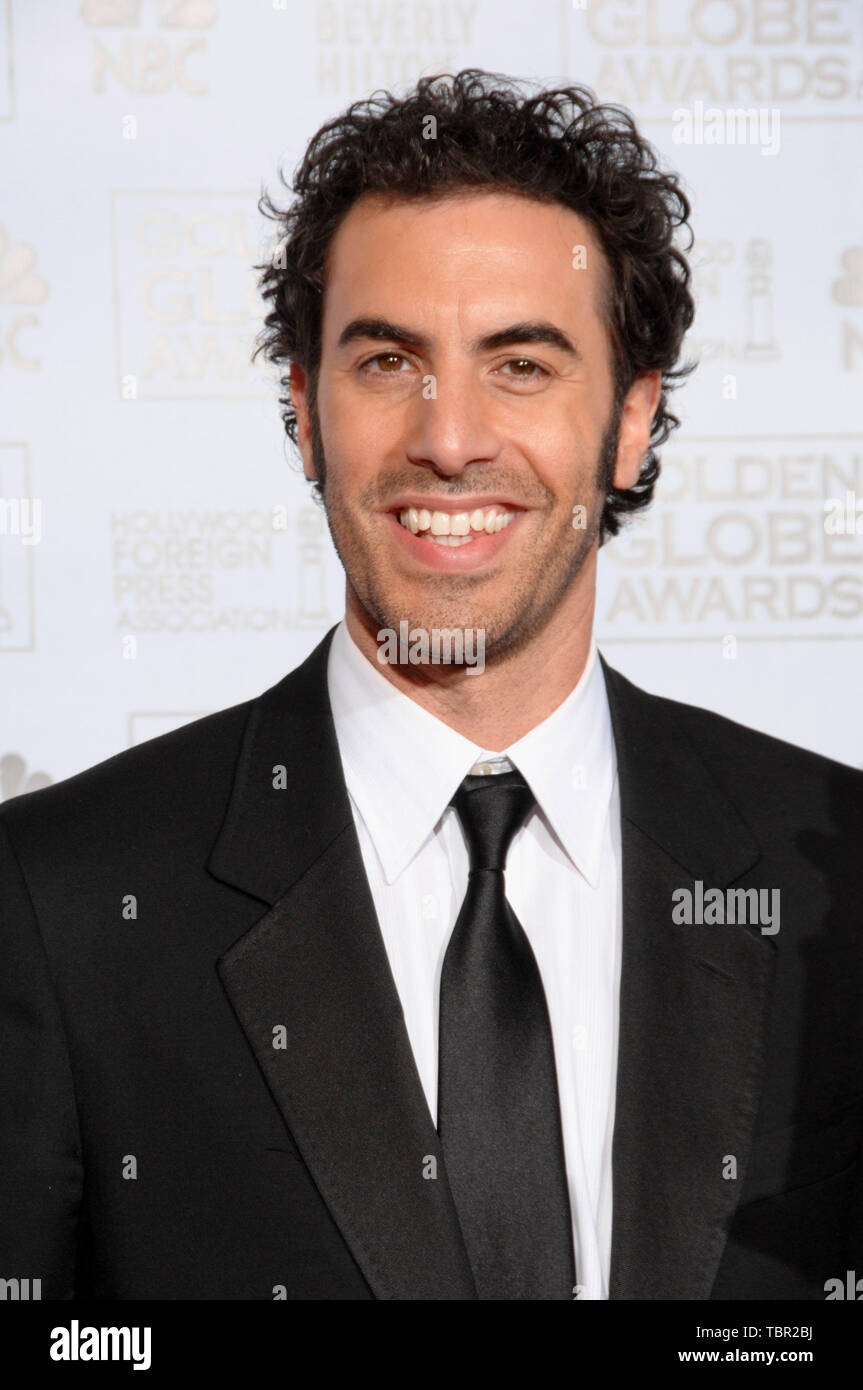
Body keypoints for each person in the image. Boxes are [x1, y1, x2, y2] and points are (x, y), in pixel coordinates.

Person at [2, 71, 861, 1302]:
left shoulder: (829, 876)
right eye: (386, 360)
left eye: (519, 364)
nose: (447, 435)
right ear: (301, 411)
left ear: (627, 422)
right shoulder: (60, 903)